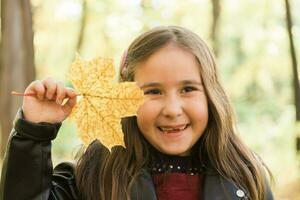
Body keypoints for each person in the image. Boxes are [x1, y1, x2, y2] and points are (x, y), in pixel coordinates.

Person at [0, 26, 274, 200]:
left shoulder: (246, 176)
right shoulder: (95, 176)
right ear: (125, 98)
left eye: (188, 89)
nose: (172, 109)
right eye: (153, 92)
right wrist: (34, 132)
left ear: (212, 95)